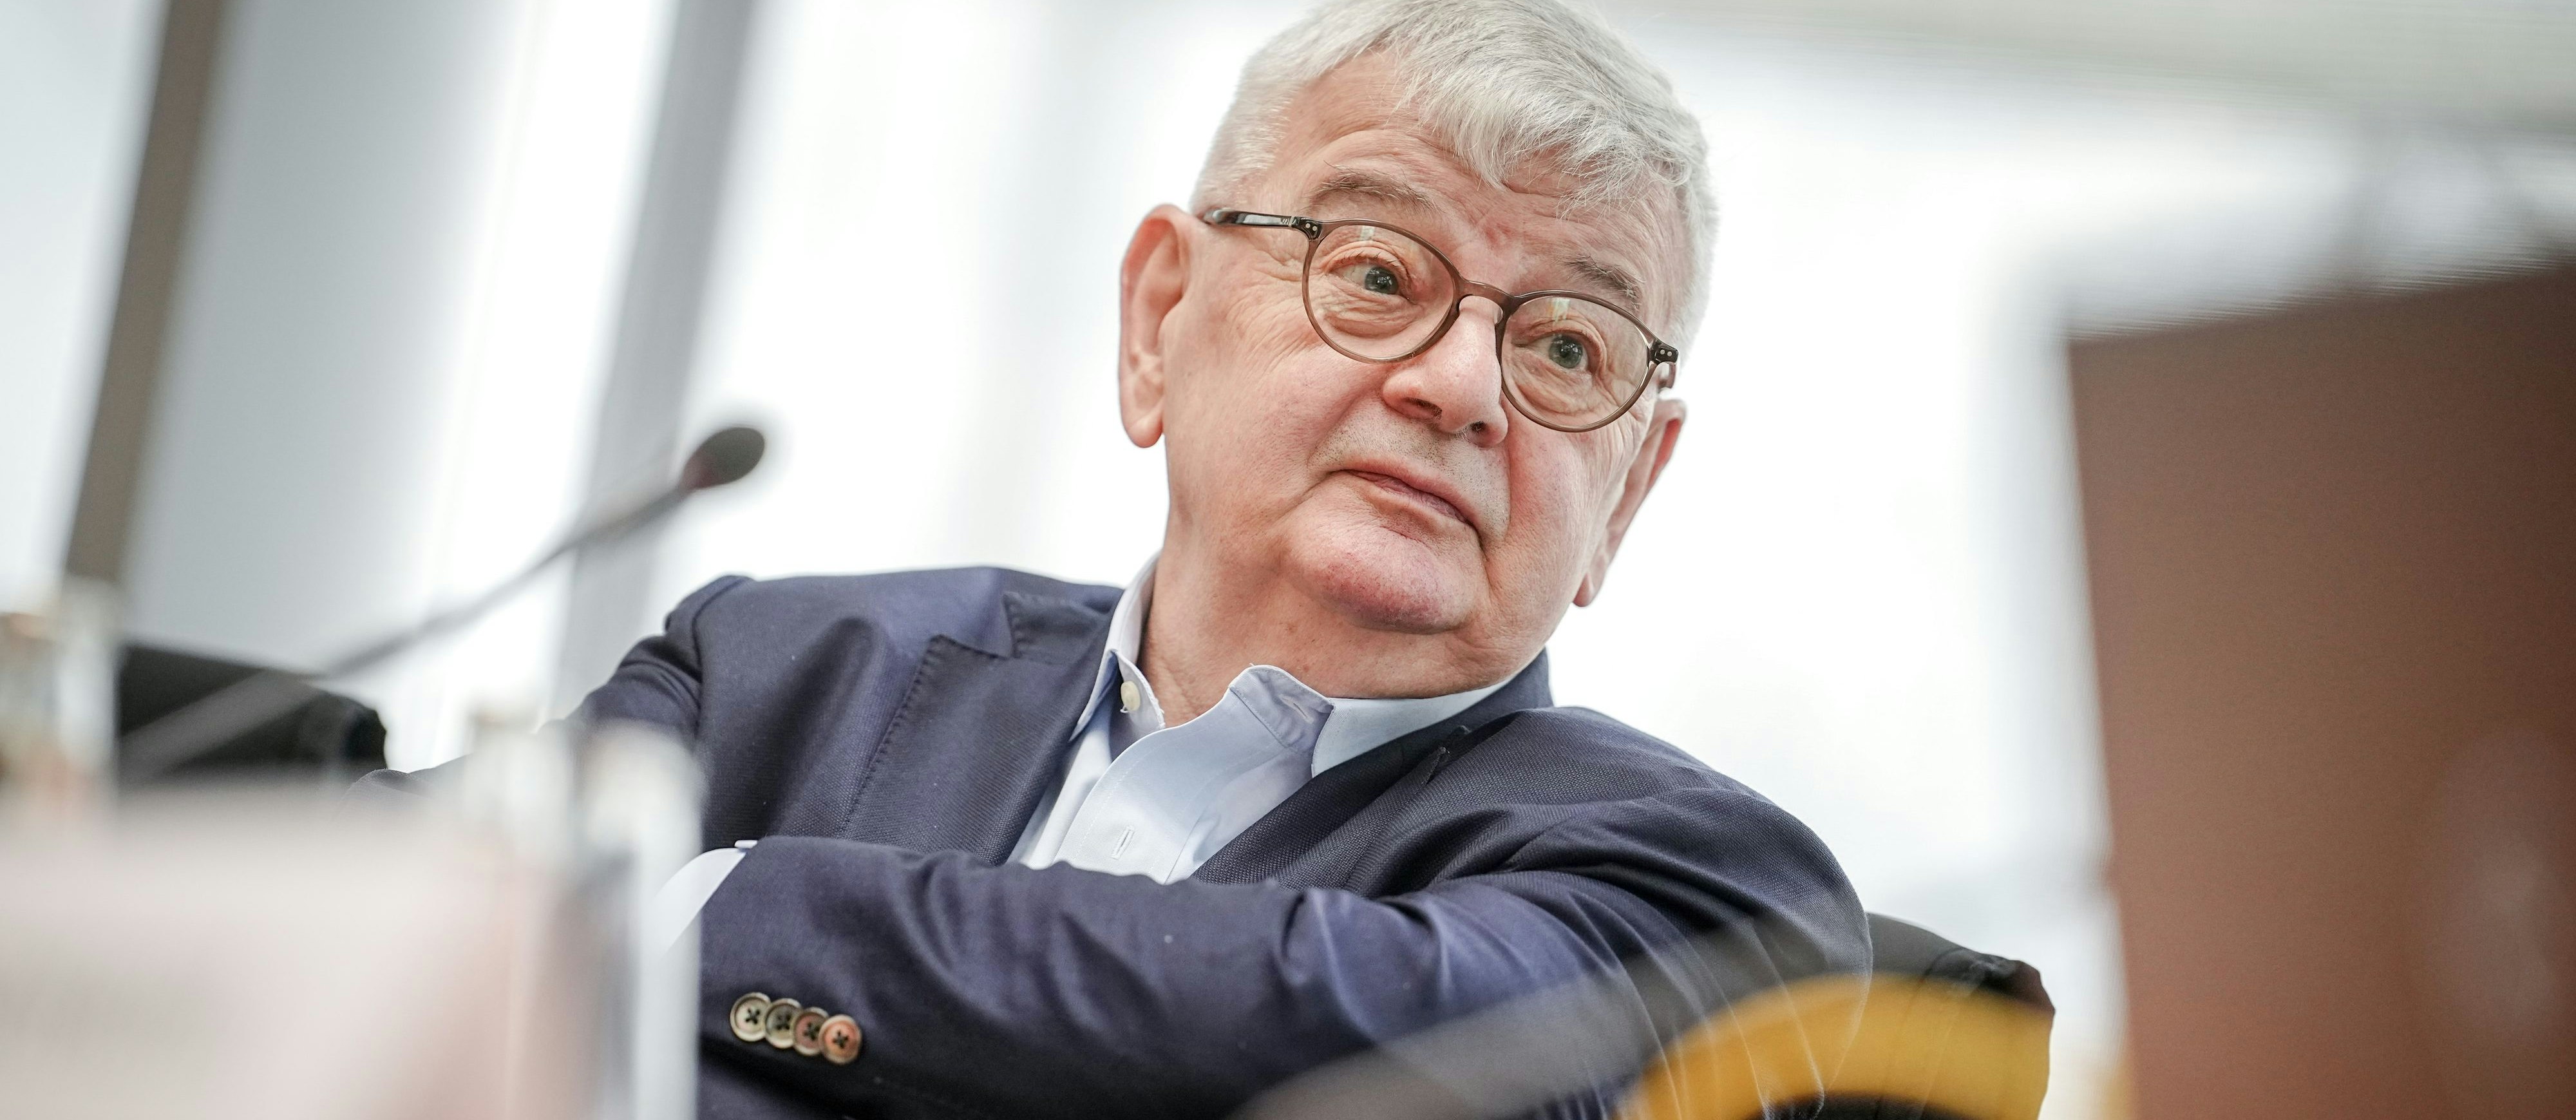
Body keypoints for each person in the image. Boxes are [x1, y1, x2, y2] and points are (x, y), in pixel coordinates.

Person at [366, 1, 1868, 1115]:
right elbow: (368, 933)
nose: (1461, 387)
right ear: (1160, 319)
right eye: (1372, 272)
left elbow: (1382, 1046)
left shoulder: (1716, 890)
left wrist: (712, 910)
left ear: (1627, 490)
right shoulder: (776, 679)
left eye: (1563, 344)